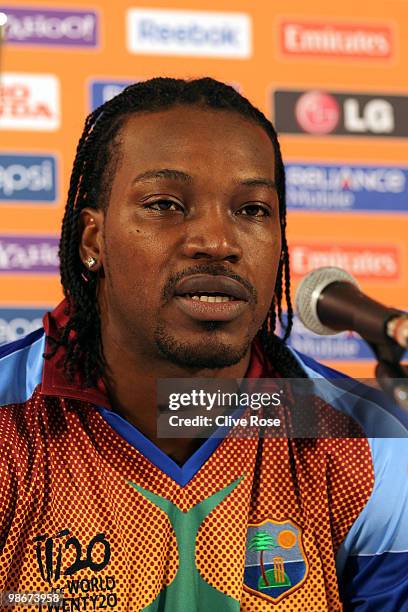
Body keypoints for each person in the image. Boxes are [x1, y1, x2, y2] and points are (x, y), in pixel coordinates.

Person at [0, 77, 406, 612]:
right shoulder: (12, 425)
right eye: (166, 204)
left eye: (252, 210)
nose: (216, 242)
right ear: (93, 240)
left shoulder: (367, 440)